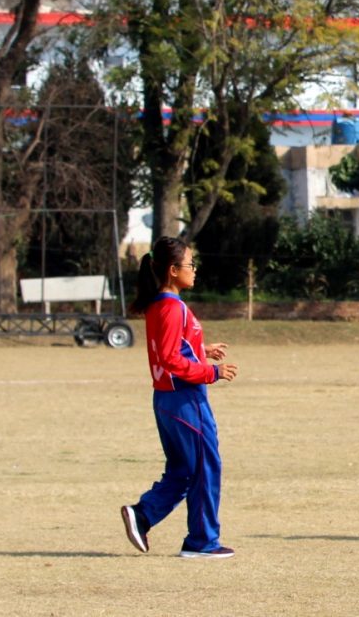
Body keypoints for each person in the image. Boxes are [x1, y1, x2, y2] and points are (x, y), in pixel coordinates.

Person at [120, 236, 239, 559]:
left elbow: (170, 348)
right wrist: (211, 373)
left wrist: (202, 350)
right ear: (173, 270)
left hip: (166, 401)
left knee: (183, 470)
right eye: (190, 265)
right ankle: (202, 541)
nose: (194, 270)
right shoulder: (173, 307)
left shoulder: (159, 304)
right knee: (205, 468)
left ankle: (143, 515)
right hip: (185, 401)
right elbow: (172, 360)